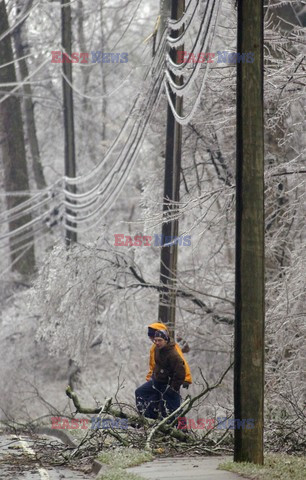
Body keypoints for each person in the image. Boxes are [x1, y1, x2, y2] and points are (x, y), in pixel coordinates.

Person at [135, 329, 186, 419]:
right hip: (157, 381)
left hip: (169, 385)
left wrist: (173, 388)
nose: (157, 342)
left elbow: (180, 373)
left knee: (172, 411)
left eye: (160, 340)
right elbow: (157, 365)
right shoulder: (157, 349)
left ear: (166, 340)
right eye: (155, 340)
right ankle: (147, 419)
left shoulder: (173, 355)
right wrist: (153, 376)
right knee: (140, 392)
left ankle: (179, 430)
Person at [146, 322, 192, 387]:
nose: (151, 339)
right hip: (158, 378)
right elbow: (153, 365)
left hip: (169, 380)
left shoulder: (171, 347)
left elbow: (181, 362)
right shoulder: (154, 348)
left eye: (152, 337)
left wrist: (186, 378)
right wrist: (149, 377)